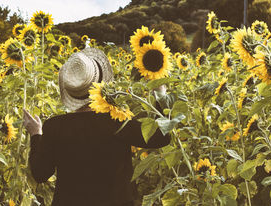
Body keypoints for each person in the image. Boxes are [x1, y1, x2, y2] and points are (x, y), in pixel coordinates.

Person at [23, 47, 170, 206]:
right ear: (101, 84)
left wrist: (36, 134)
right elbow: (161, 137)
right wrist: (161, 95)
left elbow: (40, 174)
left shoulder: (55, 126)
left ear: (71, 92)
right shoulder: (118, 121)